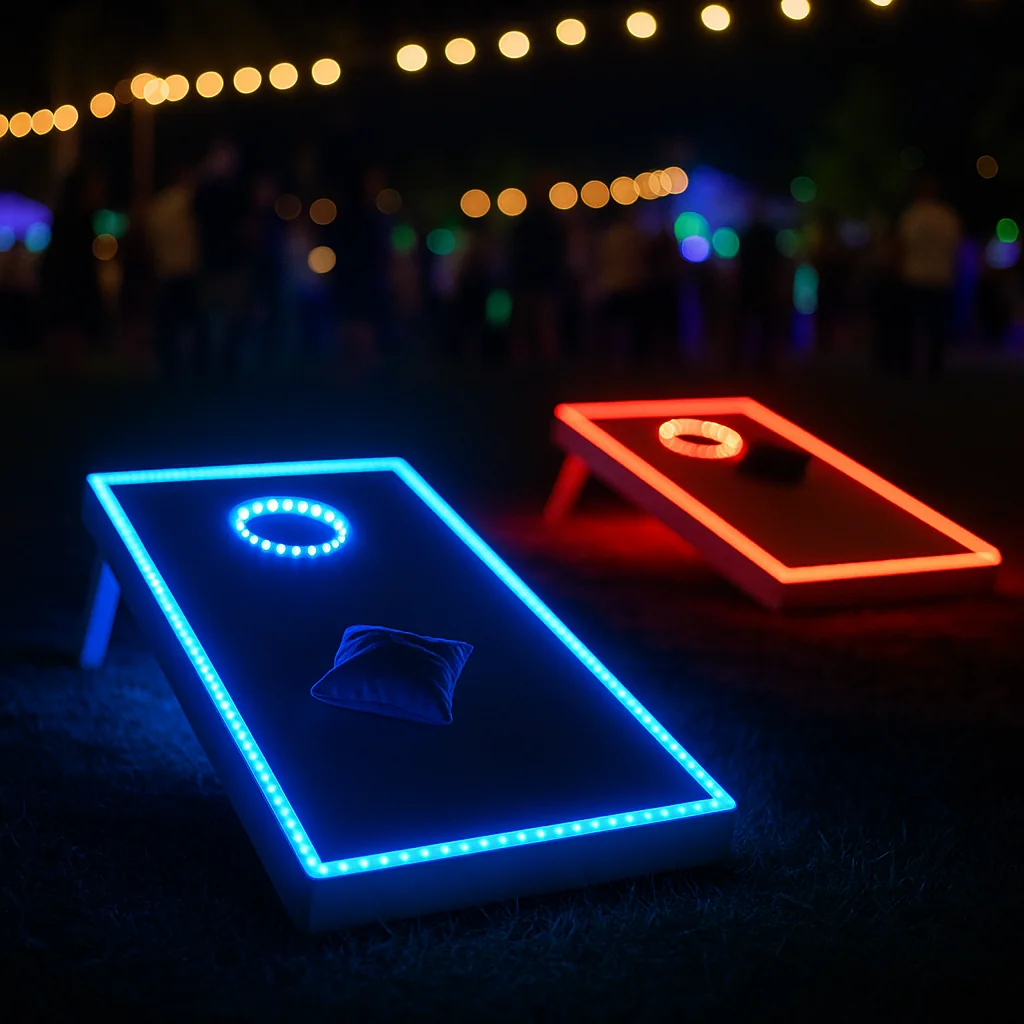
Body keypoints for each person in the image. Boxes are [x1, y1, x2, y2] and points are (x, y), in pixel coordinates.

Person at [896, 175, 962, 376]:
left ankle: (909, 366)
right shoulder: (947, 217)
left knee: (912, 325)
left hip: (915, 276)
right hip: (940, 277)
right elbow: (955, 248)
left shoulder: (912, 215)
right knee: (936, 327)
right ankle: (934, 367)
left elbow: (902, 245)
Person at [40, 168, 105, 370]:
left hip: (61, 286)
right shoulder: (79, 220)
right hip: (71, 286)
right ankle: (67, 374)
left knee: (64, 330)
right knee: (69, 331)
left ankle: (63, 374)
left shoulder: (63, 218)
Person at [147, 162, 203, 377]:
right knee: (191, 322)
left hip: (166, 271)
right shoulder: (191, 203)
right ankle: (194, 368)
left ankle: (170, 367)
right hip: (188, 270)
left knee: (169, 323)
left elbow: (151, 239)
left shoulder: (159, 205)